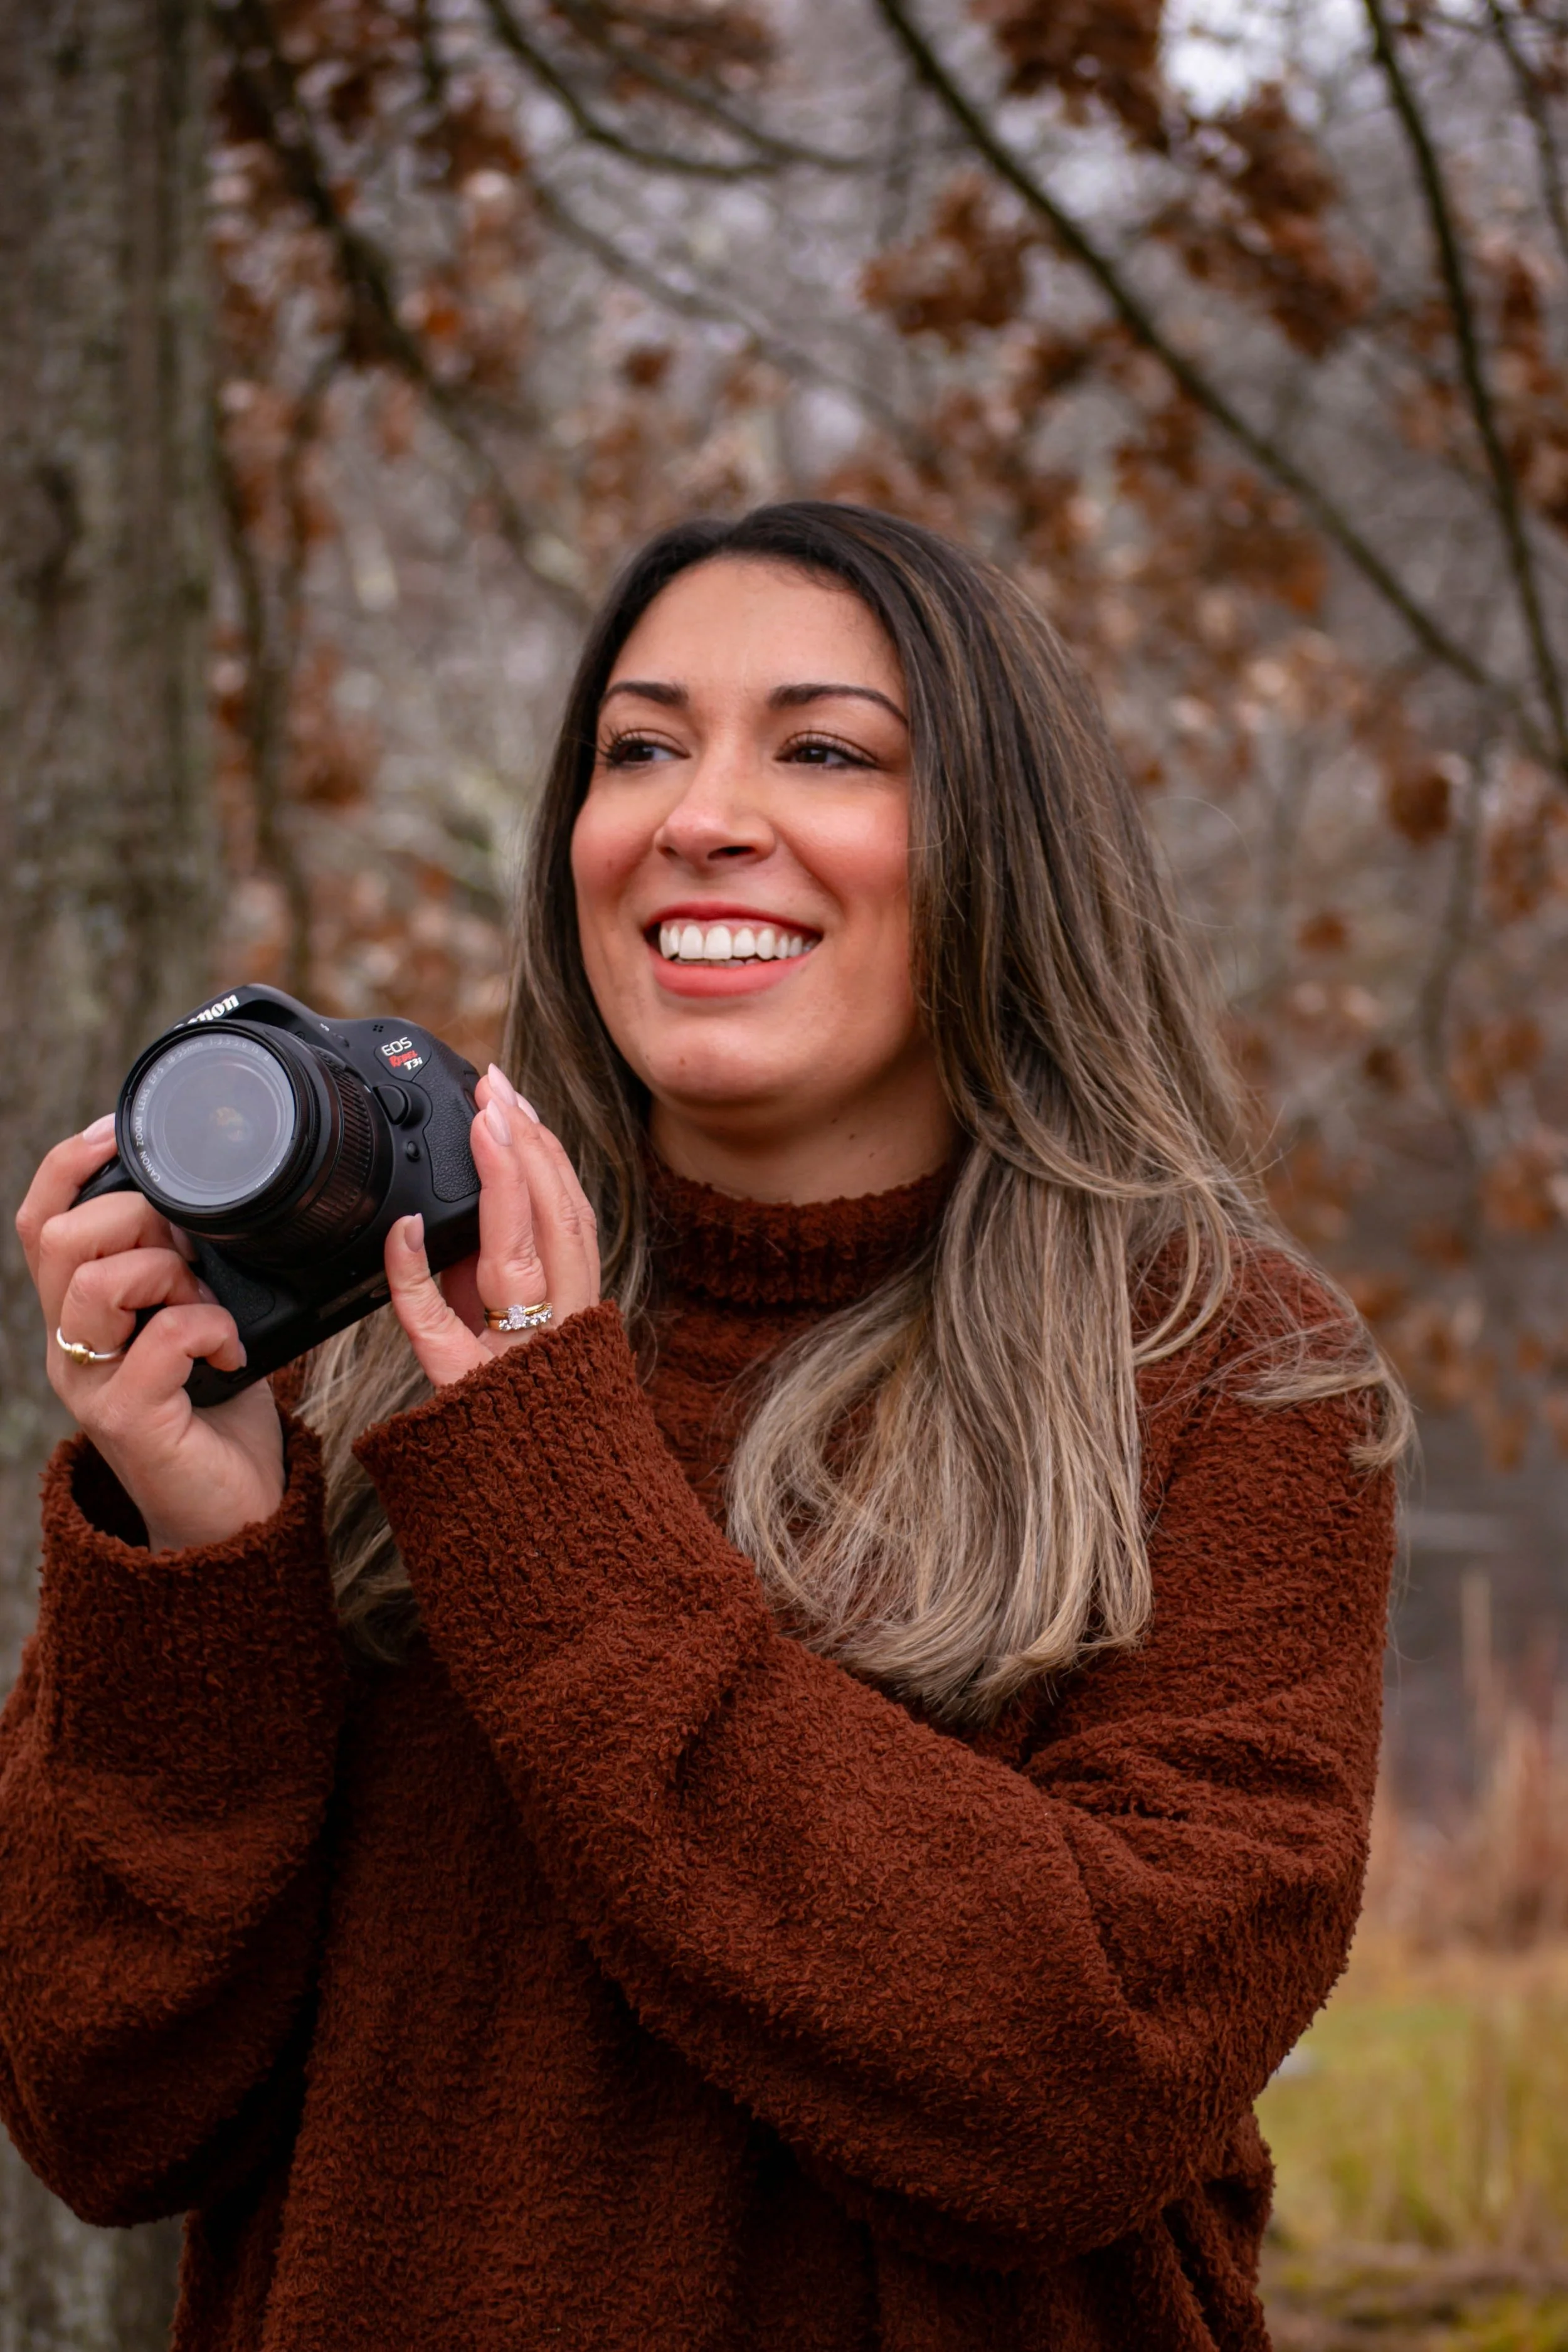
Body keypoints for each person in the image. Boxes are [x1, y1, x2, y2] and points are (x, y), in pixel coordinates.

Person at [2, 502, 1404, 2352]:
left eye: (820, 748)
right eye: (639, 747)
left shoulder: (1221, 1375)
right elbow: (109, 2111)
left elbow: (1076, 2081)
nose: (694, 816)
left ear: (1001, 847)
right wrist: (196, 1554)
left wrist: (547, 1481)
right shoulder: (357, 1365)